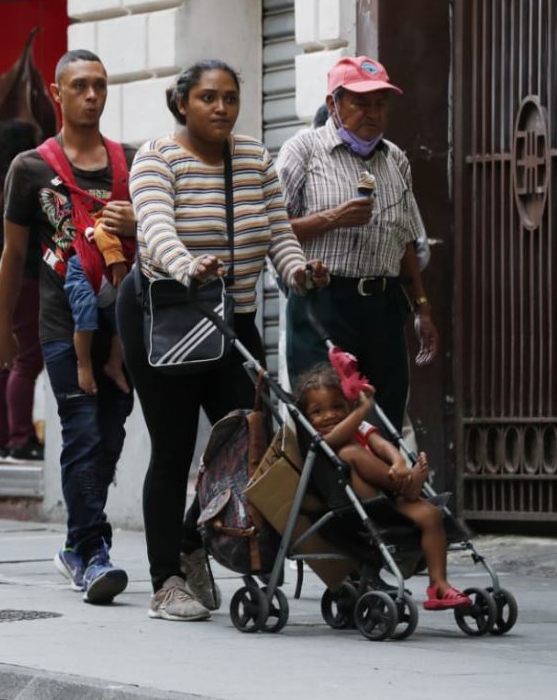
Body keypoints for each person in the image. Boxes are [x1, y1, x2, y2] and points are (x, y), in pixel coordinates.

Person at [116, 59, 327, 621]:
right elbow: (155, 226)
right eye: (209, 97)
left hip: (232, 322)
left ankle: (192, 538)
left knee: (250, 448)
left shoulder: (256, 159)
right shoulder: (157, 158)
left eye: (230, 98)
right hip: (166, 320)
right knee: (174, 447)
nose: (221, 108)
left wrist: (300, 272)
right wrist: (186, 265)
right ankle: (166, 581)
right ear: (182, 103)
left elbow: (278, 233)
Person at [0, 49, 136, 605]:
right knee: (80, 429)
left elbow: (161, 239)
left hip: (122, 324)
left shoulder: (130, 162)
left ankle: (78, 545)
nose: (92, 95)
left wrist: (137, 227)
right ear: (57, 93)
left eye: (100, 84)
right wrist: (3, 327)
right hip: (59, 322)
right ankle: (94, 552)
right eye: (80, 86)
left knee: (112, 433)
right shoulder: (30, 167)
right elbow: (12, 254)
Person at [276, 56, 438, 431]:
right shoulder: (303, 150)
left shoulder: (395, 159)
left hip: (382, 306)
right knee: (326, 417)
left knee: (386, 416)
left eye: (380, 103)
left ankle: (384, 490)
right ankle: (328, 491)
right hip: (322, 302)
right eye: (360, 103)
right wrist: (333, 218)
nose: (372, 113)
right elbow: (270, 228)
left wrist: (422, 309)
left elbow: (406, 241)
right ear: (334, 103)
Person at [294, 363, 471, 610]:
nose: (329, 415)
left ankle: (439, 585)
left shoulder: (360, 427)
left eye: (337, 406)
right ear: (307, 417)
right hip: (359, 501)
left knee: (431, 515)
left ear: (348, 406)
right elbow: (336, 438)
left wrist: (398, 462)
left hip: (389, 497)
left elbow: (383, 446)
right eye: (318, 411)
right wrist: (364, 408)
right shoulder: (322, 441)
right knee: (351, 452)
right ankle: (408, 486)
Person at [0, 119, 45, 462]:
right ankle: (21, 439)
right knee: (26, 359)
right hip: (22, 280)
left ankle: (3, 440)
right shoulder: (28, 181)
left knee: (0, 361)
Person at [65, 206, 131, 397]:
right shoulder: (116, 213)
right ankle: (83, 365)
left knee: (122, 322)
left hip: (112, 283)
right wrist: (116, 260)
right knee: (85, 313)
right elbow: (101, 228)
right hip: (87, 268)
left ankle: (114, 364)